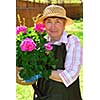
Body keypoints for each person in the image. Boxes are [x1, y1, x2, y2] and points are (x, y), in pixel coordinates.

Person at [32, 4, 83, 100]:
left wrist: (42, 72)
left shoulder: (72, 41)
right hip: (42, 94)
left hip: (66, 96)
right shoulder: (41, 43)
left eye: (57, 22)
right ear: (44, 25)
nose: (53, 26)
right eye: (49, 22)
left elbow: (70, 75)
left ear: (64, 25)